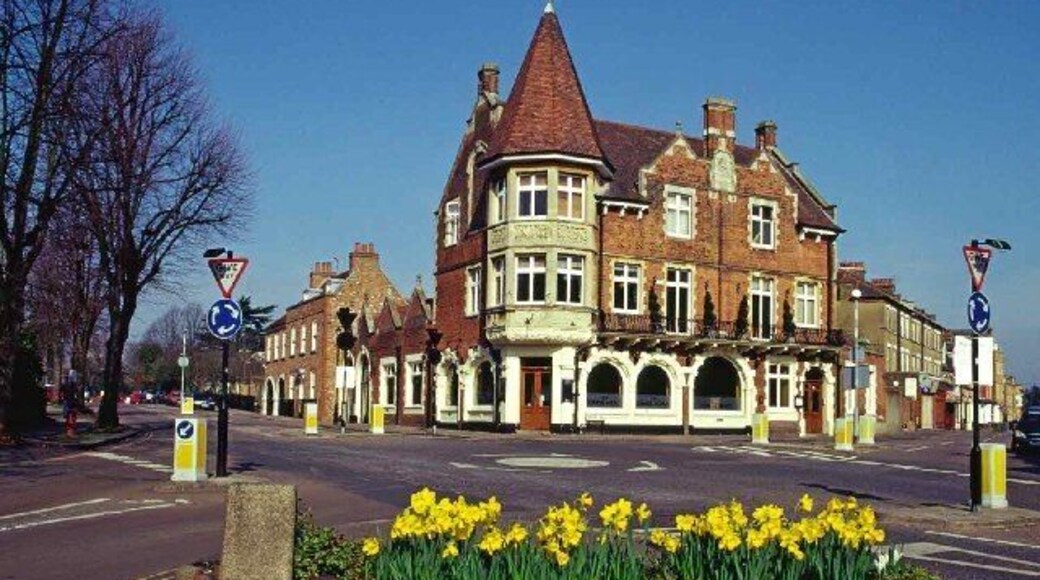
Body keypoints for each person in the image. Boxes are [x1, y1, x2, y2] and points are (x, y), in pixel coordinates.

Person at [61, 370, 78, 438]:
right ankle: (69, 431)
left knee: (70, 416)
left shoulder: (70, 384)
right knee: (69, 415)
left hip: (69, 400)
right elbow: (63, 390)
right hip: (68, 400)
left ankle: (70, 431)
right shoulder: (68, 384)